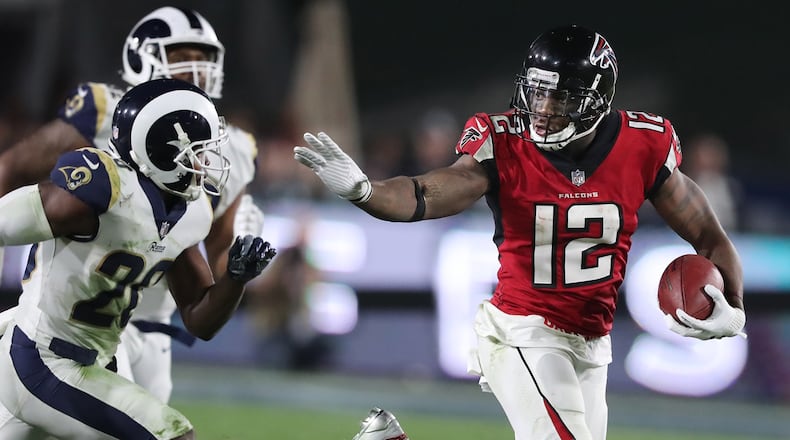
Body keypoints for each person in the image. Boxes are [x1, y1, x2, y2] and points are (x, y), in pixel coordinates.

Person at [294, 25, 746, 440]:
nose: (545, 110)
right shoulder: (504, 142)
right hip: (523, 330)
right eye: (538, 93)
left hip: (592, 341)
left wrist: (736, 308)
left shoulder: (643, 144)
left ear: (597, 98)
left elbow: (707, 234)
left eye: (563, 98)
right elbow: (426, 193)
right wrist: (366, 191)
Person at [0, 6, 263, 404]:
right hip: (71, 310)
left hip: (153, 316)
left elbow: (218, 257)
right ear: (144, 56)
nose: (197, 70)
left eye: (204, 59)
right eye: (182, 57)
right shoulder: (106, 110)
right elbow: (11, 170)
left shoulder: (232, 147)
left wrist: (241, 264)